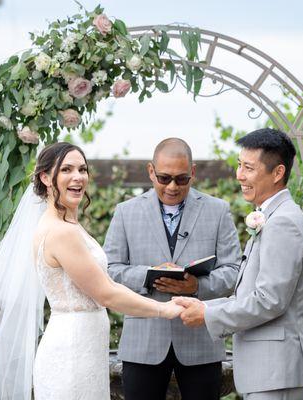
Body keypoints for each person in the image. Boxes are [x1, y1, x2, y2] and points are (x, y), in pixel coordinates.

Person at [0, 142, 183, 400]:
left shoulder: (64, 225)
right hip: (71, 354)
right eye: (66, 170)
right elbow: (106, 293)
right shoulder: (62, 233)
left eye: (82, 169)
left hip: (84, 347)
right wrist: (164, 309)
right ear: (45, 177)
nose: (78, 177)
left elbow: (106, 283)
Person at [175, 128, 303, 400]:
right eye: (239, 165)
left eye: (249, 168)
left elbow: (269, 300)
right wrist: (203, 305)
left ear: (277, 173)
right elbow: (249, 294)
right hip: (268, 372)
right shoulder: (270, 215)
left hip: (276, 372)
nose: (239, 175)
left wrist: (207, 316)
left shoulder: (282, 222)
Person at [103, 138, 241, 400]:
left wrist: (197, 286)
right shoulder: (125, 212)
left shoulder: (218, 210)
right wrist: (148, 274)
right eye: (164, 178)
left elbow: (234, 270)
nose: (172, 187)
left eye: (181, 179)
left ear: (193, 172)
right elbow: (109, 269)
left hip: (201, 341)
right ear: (150, 171)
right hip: (143, 340)